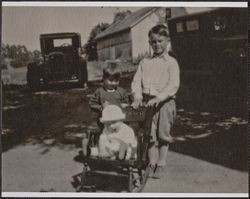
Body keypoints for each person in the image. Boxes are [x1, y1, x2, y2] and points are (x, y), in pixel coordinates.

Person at [131, 24, 180, 179]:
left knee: (163, 134)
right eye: (153, 42)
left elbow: (173, 84)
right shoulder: (145, 62)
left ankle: (161, 163)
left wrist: (159, 98)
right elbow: (136, 81)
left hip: (165, 103)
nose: (157, 45)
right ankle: (151, 162)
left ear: (167, 41)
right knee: (149, 134)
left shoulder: (171, 62)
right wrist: (137, 96)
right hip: (147, 103)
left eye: (160, 41)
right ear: (149, 42)